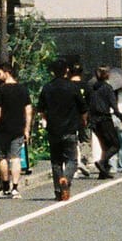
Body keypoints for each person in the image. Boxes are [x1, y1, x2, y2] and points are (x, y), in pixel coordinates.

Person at [38, 58, 88, 200]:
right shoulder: (73, 87)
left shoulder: (47, 87)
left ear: (53, 72)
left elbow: (41, 109)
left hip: (54, 130)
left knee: (56, 161)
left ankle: (58, 191)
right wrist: (83, 121)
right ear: (66, 70)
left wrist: (48, 119)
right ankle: (66, 179)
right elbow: (83, 108)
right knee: (72, 159)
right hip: (70, 129)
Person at [0, 59, 30, 196]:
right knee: (16, 157)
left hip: (2, 129)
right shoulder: (23, 89)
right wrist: (27, 129)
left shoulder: (1, 91)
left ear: (7, 73)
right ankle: (15, 188)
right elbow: (28, 111)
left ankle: (4, 187)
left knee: (2, 158)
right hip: (18, 127)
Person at [87, 66, 122, 179]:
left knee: (104, 145)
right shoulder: (107, 88)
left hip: (93, 119)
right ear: (106, 75)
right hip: (104, 118)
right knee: (115, 145)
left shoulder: (92, 87)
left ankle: (103, 172)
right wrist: (119, 115)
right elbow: (113, 104)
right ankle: (102, 162)